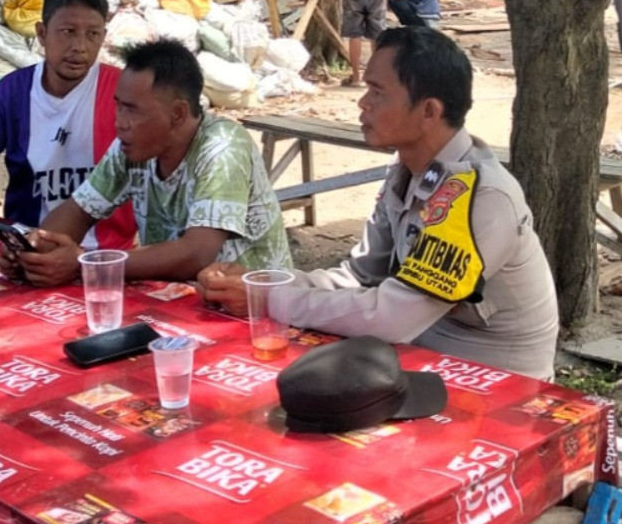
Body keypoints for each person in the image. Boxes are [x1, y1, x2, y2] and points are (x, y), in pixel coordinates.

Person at [198, 27, 560, 381]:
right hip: (420, 355)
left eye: (377, 91)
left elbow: (392, 316)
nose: (362, 103)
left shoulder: (481, 196)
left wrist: (269, 301)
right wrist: (262, 283)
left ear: (429, 111)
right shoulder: (407, 169)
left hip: (495, 379)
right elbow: (359, 277)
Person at [12, 39, 292, 286]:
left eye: (132, 109)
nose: (119, 122)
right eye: (119, 105)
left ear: (178, 113)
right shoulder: (131, 146)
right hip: (182, 298)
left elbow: (198, 253)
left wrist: (85, 263)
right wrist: (37, 251)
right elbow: (78, 210)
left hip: (255, 310)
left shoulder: (223, 146)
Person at [0, 0, 136, 251]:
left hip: (106, 257)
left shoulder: (127, 94)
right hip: (28, 250)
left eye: (93, 34)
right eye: (68, 31)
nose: (80, 46)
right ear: (41, 33)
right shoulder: (8, 95)